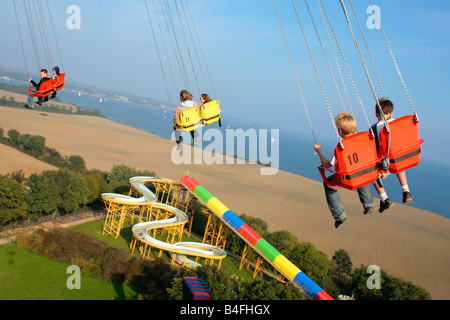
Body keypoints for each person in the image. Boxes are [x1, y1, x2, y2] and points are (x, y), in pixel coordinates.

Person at [314, 112, 375, 228]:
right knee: (360, 175)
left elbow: (327, 165)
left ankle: (339, 216)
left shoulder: (340, 146)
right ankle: (369, 204)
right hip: (365, 173)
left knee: (328, 184)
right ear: (355, 128)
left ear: (340, 131)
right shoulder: (364, 140)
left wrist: (319, 152)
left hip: (346, 178)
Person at [371, 98, 413, 213]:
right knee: (398, 161)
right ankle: (406, 191)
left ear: (376, 114)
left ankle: (385, 199)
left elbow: (373, 148)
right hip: (399, 159)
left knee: (371, 174)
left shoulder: (374, 128)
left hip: (384, 162)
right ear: (391, 113)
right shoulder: (398, 124)